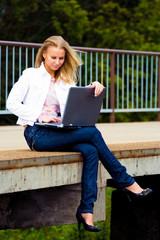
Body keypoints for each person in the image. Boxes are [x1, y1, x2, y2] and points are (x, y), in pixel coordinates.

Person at [7, 36, 152, 232]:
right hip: (37, 134)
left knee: (91, 151)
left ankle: (87, 210)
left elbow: (73, 106)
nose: (57, 62)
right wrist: (40, 116)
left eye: (60, 59)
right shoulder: (30, 75)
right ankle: (127, 182)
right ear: (43, 55)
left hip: (58, 131)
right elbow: (11, 103)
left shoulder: (64, 80)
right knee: (92, 133)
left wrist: (91, 88)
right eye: (53, 58)